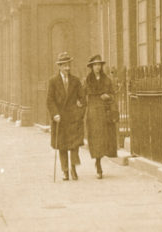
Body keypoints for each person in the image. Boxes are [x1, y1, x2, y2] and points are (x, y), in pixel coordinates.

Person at [46, 51, 84, 180]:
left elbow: (83, 98)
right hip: (60, 118)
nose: (67, 68)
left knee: (74, 145)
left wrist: (79, 110)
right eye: (64, 65)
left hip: (73, 118)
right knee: (62, 146)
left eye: (69, 65)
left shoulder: (76, 80)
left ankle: (73, 169)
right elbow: (49, 100)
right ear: (59, 66)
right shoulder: (53, 81)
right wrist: (55, 114)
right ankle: (65, 171)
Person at [84, 54, 118, 179]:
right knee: (96, 139)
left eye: (99, 65)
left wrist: (108, 97)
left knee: (104, 139)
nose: (97, 67)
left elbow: (113, 96)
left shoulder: (107, 80)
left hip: (104, 112)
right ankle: (98, 165)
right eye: (95, 65)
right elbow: (82, 97)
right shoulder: (87, 81)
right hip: (93, 113)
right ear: (91, 67)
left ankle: (100, 161)